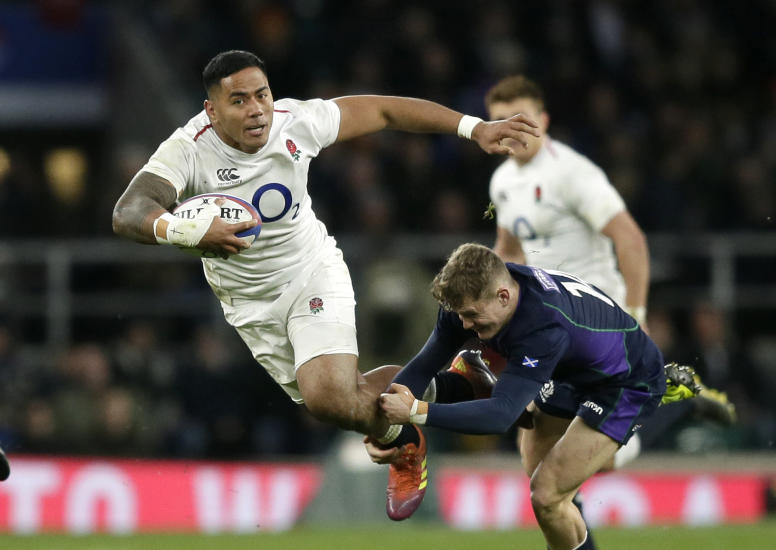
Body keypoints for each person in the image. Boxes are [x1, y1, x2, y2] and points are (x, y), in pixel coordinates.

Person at [112, 50, 538, 520]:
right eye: (239, 101)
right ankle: (446, 392)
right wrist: (182, 229)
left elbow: (383, 110)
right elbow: (128, 212)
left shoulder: (296, 122)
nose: (257, 109)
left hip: (311, 271)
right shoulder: (188, 148)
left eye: (262, 95)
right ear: (211, 111)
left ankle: (413, 430)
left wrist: (473, 128)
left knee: (326, 394)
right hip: (249, 303)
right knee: (341, 404)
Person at [481, 75, 735, 550]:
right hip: (553, 332)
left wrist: (634, 319)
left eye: (523, 119)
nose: (514, 132)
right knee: (541, 450)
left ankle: (671, 398)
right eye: (503, 122)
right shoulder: (503, 181)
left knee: (572, 452)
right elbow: (507, 253)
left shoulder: (575, 175)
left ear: (545, 120)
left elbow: (631, 241)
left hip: (599, 329)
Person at [371, 243, 698, 550]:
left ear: (503, 296)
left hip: (624, 382)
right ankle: (490, 382)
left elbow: (499, 417)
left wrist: (414, 412)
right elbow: (420, 368)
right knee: (534, 465)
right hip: (568, 369)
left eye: (472, 316)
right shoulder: (477, 297)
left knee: (546, 494)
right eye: (460, 316)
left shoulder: (542, 326)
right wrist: (385, 431)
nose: (465, 325)